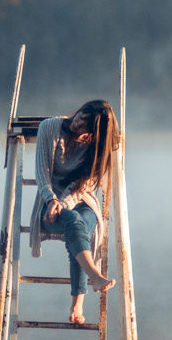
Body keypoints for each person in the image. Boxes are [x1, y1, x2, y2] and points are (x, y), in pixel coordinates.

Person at [32, 98, 120, 325]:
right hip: (47, 200)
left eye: (84, 129)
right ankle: (93, 279)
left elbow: (83, 185)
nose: (77, 126)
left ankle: (80, 298)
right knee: (74, 223)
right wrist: (52, 200)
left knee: (78, 223)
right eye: (80, 118)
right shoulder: (49, 127)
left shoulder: (98, 147)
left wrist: (63, 203)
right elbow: (42, 174)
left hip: (81, 199)